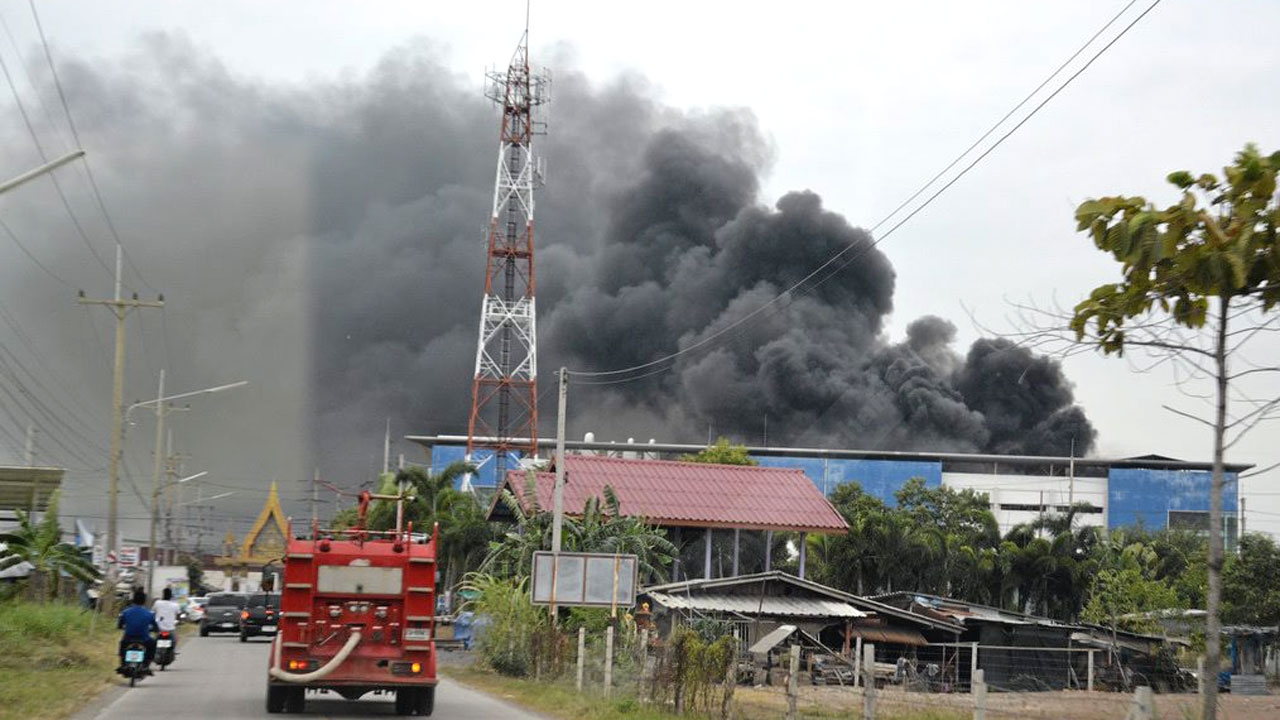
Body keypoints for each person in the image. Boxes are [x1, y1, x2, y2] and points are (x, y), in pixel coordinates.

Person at [118, 588, 158, 674]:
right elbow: (155, 626)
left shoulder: (126, 612)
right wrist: (154, 630)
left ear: (133, 600)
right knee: (153, 644)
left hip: (128, 638)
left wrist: (123, 627)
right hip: (144, 638)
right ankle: (146, 665)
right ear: (144, 601)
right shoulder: (149, 613)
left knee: (122, 645)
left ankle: (123, 664)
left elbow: (120, 625)